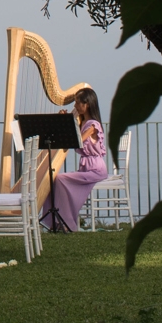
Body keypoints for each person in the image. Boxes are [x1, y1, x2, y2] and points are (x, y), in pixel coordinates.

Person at [42, 87, 108, 232]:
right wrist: (63, 121)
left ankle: (66, 223)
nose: (75, 106)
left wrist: (66, 122)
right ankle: (55, 222)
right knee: (54, 180)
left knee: (60, 179)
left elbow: (75, 141)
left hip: (96, 169)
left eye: (78, 103)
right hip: (86, 168)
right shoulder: (82, 122)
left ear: (88, 104)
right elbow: (72, 136)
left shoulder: (93, 126)